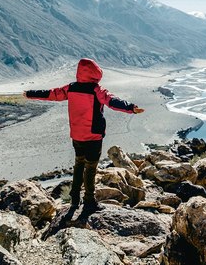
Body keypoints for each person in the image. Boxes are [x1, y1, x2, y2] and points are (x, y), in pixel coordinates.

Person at [23, 58, 144, 212]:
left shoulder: (71, 88)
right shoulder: (96, 90)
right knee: (91, 168)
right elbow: (112, 101)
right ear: (95, 73)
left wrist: (30, 93)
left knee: (79, 165)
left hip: (77, 135)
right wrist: (131, 108)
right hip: (93, 136)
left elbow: (51, 94)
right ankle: (89, 201)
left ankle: (74, 199)